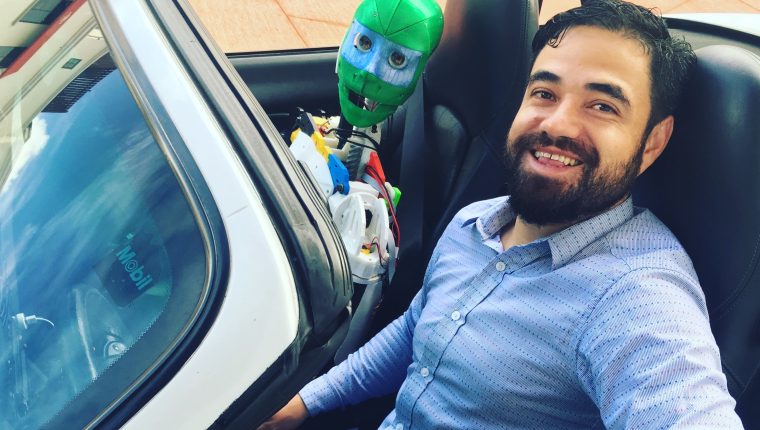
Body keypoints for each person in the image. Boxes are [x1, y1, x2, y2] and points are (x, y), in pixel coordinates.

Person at [258, 0, 744, 428]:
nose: (557, 123)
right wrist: (304, 403)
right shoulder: (476, 221)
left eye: (602, 105)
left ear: (652, 142)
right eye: (545, 93)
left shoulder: (637, 297)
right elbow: (414, 330)